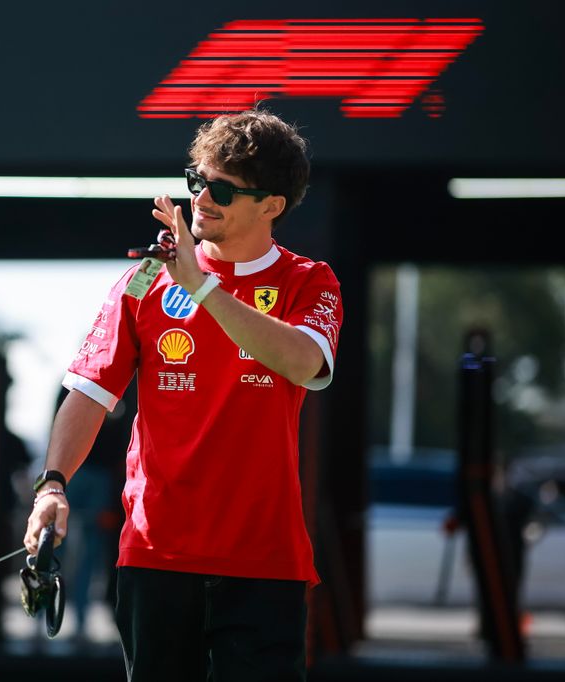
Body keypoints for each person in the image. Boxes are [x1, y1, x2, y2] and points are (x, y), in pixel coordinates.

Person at [24, 109, 343, 681]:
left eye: (223, 188)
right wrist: (53, 486)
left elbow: (303, 363)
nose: (203, 198)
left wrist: (204, 287)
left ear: (272, 205)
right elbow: (89, 392)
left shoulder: (309, 280)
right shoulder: (145, 279)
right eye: (197, 180)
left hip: (265, 564)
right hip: (155, 557)